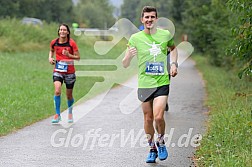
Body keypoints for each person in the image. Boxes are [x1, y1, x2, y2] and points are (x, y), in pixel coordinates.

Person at [122, 6, 178, 163]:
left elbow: (173, 49)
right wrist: (129, 57)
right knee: (148, 118)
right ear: (142, 20)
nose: (149, 20)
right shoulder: (135, 38)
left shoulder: (165, 35)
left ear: (156, 19)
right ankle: (152, 148)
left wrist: (174, 64)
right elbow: (125, 64)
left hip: (162, 81)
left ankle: (161, 141)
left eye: (152, 17)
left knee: (158, 117)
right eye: (146, 17)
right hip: (145, 83)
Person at [48, 23, 80, 124]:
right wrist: (50, 58)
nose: (62, 31)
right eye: (60, 30)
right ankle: (57, 114)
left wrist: (69, 55)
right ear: (58, 32)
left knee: (69, 95)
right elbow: (51, 51)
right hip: (58, 71)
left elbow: (78, 57)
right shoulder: (54, 42)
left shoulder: (72, 43)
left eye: (64, 30)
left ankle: (70, 113)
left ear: (68, 32)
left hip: (69, 72)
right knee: (57, 91)